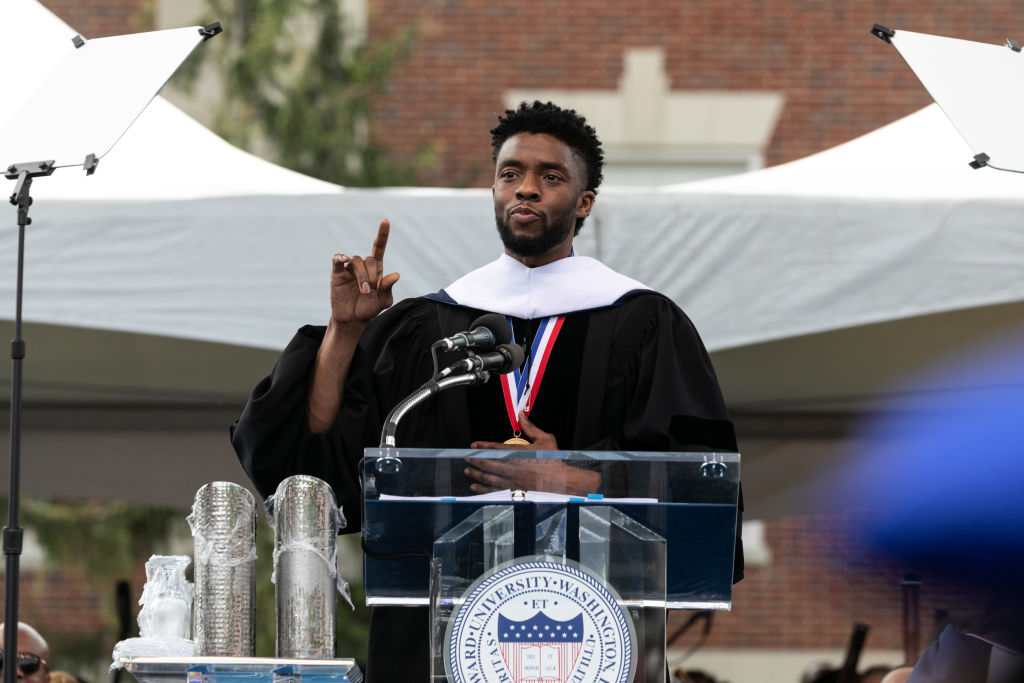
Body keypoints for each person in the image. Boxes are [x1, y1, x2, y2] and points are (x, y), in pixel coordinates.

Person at [232, 100, 741, 681]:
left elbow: (701, 491)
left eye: (550, 177)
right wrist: (346, 331)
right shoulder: (425, 326)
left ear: (583, 202)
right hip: (429, 639)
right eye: (510, 174)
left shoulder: (644, 325)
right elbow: (315, 463)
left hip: (593, 634)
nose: (525, 190)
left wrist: (575, 477)